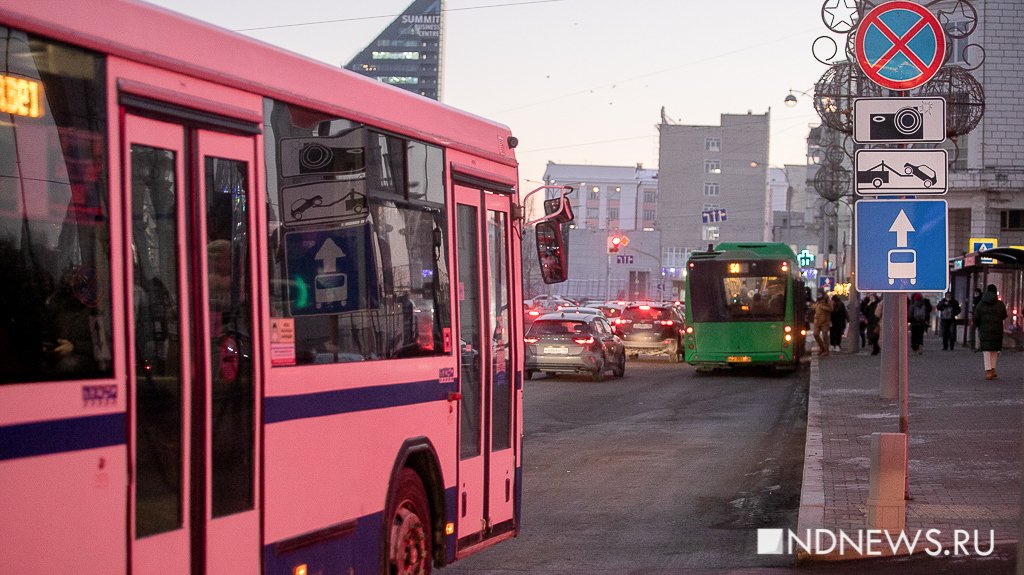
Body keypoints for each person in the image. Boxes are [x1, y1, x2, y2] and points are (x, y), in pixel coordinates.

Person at [974, 284, 1008, 380]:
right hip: (997, 329)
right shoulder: (1000, 304)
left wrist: (979, 324)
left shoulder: (981, 303)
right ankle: (993, 369)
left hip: (984, 329)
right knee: (994, 350)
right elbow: (1004, 315)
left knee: (986, 350)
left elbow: (976, 316)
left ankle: (988, 370)